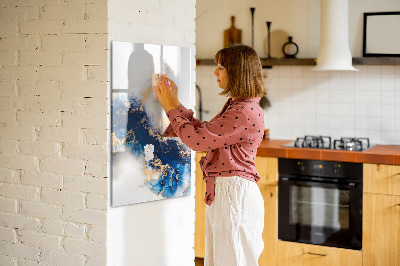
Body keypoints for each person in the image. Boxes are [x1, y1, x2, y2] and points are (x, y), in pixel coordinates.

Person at [153, 44, 266, 266]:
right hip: (228, 193)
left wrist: (169, 108)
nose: (215, 72)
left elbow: (197, 141)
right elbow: (205, 133)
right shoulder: (239, 106)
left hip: (234, 195)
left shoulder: (243, 111)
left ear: (237, 72)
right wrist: (175, 103)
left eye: (221, 67)